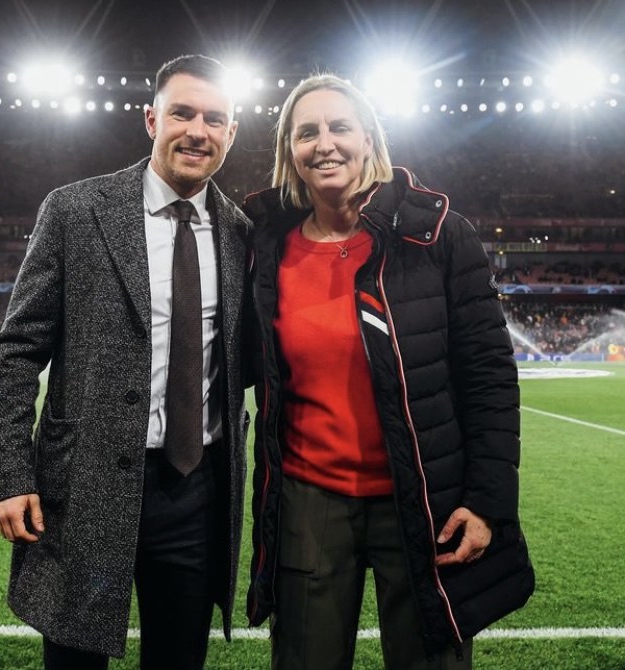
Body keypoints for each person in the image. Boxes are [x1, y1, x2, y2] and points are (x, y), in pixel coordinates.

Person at [243, 73, 535, 670]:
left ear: (370, 140)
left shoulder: (439, 235)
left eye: (339, 127)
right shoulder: (265, 244)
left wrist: (487, 501)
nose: (324, 143)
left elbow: (488, 375)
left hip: (425, 497)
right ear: (289, 153)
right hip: (309, 498)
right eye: (306, 132)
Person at [0, 54, 253, 670]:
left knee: (178, 659)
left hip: (197, 489)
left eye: (215, 119)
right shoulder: (76, 210)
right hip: (83, 486)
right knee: (75, 660)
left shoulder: (242, 233)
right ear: (153, 119)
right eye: (182, 113)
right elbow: (19, 348)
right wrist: (8, 473)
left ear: (231, 134)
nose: (197, 130)